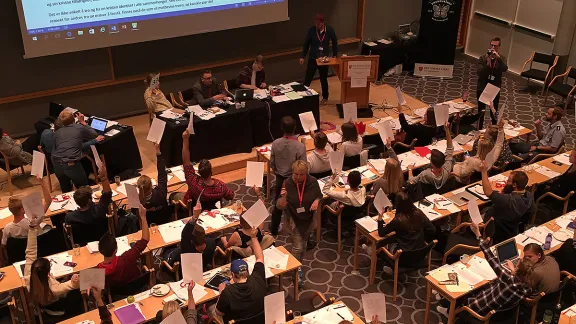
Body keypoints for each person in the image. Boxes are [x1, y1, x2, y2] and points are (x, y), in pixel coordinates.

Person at [437, 222, 536, 319]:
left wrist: (478, 234)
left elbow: (490, 257)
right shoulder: (528, 288)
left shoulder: (508, 278)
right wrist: (513, 270)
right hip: (498, 313)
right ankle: (445, 301)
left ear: (518, 270)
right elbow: (516, 281)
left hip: (478, 309)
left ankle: (448, 312)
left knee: (466, 290)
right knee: (482, 285)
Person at [364, 192, 436, 273]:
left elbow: (381, 233)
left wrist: (380, 217)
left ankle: (379, 255)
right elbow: (432, 230)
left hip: (403, 256)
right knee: (395, 236)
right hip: (420, 252)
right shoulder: (419, 213)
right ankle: (373, 250)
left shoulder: (398, 220)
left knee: (386, 240)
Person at [25, 215, 82, 316]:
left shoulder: (28, 276)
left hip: (43, 303)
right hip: (58, 309)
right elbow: (74, 285)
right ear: (48, 272)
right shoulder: (55, 289)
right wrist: (76, 279)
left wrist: (32, 229)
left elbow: (30, 252)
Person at [277, 160, 322, 286]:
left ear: (306, 174)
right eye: (295, 174)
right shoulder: (287, 183)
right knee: (298, 247)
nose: (297, 177)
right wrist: (284, 198)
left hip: (308, 219)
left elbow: (319, 195)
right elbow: (279, 206)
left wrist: (317, 201)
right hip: (293, 219)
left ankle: (299, 265)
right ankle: (295, 271)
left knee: (304, 243)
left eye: (301, 175)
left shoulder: (312, 182)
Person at [214, 228, 267, 324]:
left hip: (235, 321)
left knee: (210, 310)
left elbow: (218, 312)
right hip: (258, 321)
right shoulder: (258, 279)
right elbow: (260, 257)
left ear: (233, 275)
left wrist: (221, 293)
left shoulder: (227, 292)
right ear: (247, 272)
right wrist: (253, 237)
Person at [178, 130, 235, 210]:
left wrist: (185, 139)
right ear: (211, 172)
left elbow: (186, 160)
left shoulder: (193, 181)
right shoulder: (221, 186)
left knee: (174, 196)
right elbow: (231, 196)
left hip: (196, 211)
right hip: (212, 211)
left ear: (199, 172)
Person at [479, 161, 535, 243]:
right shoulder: (529, 195)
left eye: (508, 180)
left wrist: (484, 172)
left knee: (474, 217)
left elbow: (488, 192)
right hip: (513, 228)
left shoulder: (508, 200)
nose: (506, 182)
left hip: (495, 228)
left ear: (514, 185)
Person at [269, 116, 306, 236]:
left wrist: (276, 171)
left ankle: (273, 229)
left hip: (280, 177)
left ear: (281, 128)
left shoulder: (275, 143)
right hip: (295, 180)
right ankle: (300, 230)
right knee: (298, 204)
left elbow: (272, 163)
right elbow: (304, 166)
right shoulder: (300, 146)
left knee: (277, 204)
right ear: (295, 128)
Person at [51, 110, 104, 193]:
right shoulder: (78, 127)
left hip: (56, 164)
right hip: (71, 163)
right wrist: (82, 122)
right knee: (84, 190)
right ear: (74, 118)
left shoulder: (56, 133)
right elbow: (94, 134)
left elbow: (69, 147)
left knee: (66, 191)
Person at [97, 204, 149, 286]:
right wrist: (143, 217)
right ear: (116, 249)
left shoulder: (98, 271)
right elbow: (145, 240)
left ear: (100, 251)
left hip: (117, 296)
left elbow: (84, 282)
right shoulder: (127, 258)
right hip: (138, 289)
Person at [64, 165, 112, 246]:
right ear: (90, 200)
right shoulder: (99, 210)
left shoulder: (70, 217)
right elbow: (107, 194)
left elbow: (69, 235)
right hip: (103, 244)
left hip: (82, 246)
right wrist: (103, 177)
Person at [2, 175, 52, 246]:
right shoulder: (33, 222)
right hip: (38, 247)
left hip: (19, 254)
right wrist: (42, 182)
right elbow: (48, 201)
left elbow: (3, 245)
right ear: (23, 210)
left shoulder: (7, 228)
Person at [300, 13, 338, 105]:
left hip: (324, 60)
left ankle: (325, 97)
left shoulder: (329, 30)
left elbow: (335, 42)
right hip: (313, 58)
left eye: (318, 24)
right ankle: (303, 96)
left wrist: (334, 56)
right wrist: (302, 56)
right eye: (315, 23)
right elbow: (306, 44)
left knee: (323, 79)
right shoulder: (312, 30)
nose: (316, 25)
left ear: (323, 23)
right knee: (308, 78)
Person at [408, 123, 453, 189]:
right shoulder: (447, 168)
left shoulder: (425, 174)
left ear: (432, 163)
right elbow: (450, 148)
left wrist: (410, 169)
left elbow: (411, 182)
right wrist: (447, 130)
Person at [476, 37, 508, 129]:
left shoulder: (501, 58)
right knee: (481, 111)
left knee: (493, 111)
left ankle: (494, 131)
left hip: (494, 88)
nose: (493, 47)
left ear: (499, 47)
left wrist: (498, 59)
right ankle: (479, 129)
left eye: (495, 46)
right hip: (482, 87)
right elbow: (479, 72)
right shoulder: (483, 58)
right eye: (492, 45)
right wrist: (487, 64)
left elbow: (505, 69)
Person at [136, 143, 169, 224]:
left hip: (146, 223)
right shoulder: (160, 193)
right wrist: (158, 152)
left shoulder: (136, 201)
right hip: (163, 220)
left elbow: (135, 214)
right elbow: (162, 174)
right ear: (151, 185)